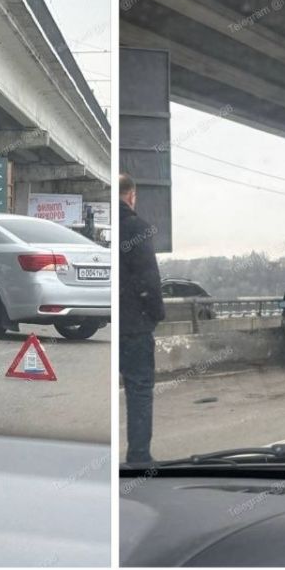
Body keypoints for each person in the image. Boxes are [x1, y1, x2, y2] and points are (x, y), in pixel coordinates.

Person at [119, 173, 165, 464]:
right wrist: (157, 314)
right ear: (132, 196)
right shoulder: (137, 228)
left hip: (112, 324)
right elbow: (149, 280)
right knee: (138, 391)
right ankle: (138, 458)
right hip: (134, 327)